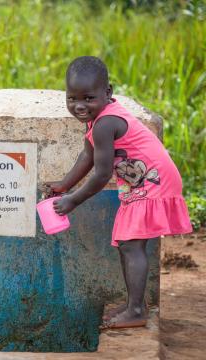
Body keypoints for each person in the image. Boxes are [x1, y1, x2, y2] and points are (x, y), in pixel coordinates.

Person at [45, 56, 192, 329]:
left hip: (152, 182)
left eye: (88, 98)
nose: (79, 106)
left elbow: (101, 174)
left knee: (131, 245)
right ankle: (134, 306)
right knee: (129, 245)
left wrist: (72, 201)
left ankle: (137, 310)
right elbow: (86, 157)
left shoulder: (105, 123)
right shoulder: (97, 120)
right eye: (72, 98)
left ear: (108, 92)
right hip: (142, 183)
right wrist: (64, 184)